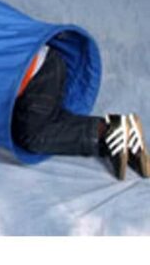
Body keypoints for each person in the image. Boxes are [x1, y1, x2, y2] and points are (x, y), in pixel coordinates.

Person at [12, 44, 149, 180]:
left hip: (35, 74)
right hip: (47, 61)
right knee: (52, 120)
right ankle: (124, 136)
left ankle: (108, 133)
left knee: (32, 136)